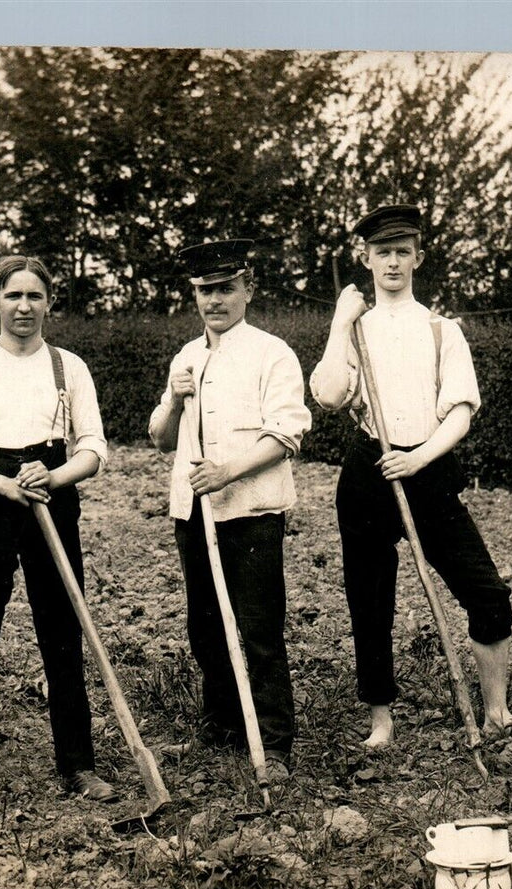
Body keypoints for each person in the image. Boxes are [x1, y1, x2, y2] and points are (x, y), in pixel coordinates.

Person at [309, 204, 512, 749]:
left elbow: (462, 412)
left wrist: (420, 457)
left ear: (419, 258)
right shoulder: (354, 329)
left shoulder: (441, 329)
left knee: (486, 590)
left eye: (403, 252)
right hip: (368, 470)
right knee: (370, 598)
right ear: (366, 259)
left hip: (426, 469)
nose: (393, 262)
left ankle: (496, 712)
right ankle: (382, 720)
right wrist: (339, 321)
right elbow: (329, 395)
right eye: (382, 252)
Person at [0, 255, 117, 802]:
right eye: (13, 296)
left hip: (51, 496)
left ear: (49, 304)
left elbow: (95, 447)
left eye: (35, 296)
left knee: (62, 628)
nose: (24, 307)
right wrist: (2, 483)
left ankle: (77, 762)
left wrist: (53, 476)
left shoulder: (68, 367)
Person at [147, 239, 311, 782]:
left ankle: (274, 740)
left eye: (224, 289)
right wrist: (173, 398)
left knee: (260, 627)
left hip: (253, 511)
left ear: (247, 290)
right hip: (193, 512)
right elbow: (159, 439)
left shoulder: (273, 353)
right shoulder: (186, 357)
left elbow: (285, 435)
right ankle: (222, 724)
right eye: (204, 291)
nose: (214, 300)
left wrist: (226, 472)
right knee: (204, 624)